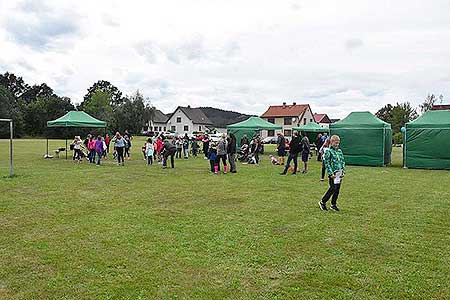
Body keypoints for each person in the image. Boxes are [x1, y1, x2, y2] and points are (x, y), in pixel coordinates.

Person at [319, 135, 345, 212]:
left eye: (338, 143)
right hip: (333, 174)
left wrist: (343, 171)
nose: (337, 144)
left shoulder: (339, 151)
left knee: (337, 189)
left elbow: (342, 161)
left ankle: (333, 204)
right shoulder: (328, 151)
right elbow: (327, 163)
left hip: (339, 173)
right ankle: (322, 202)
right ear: (331, 142)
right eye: (335, 143)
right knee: (332, 188)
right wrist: (330, 173)